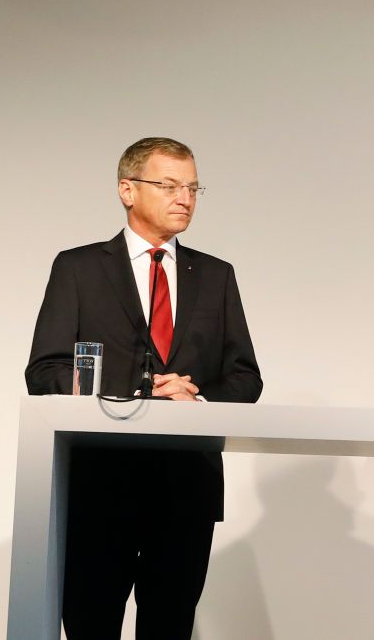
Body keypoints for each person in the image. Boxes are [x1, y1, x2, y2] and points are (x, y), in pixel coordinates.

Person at [25, 137, 263, 640]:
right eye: (170, 185)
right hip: (97, 488)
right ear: (126, 190)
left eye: (194, 187)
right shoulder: (79, 268)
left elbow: (246, 376)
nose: (186, 198)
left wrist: (193, 397)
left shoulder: (216, 276)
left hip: (185, 491)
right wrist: (137, 390)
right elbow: (44, 370)